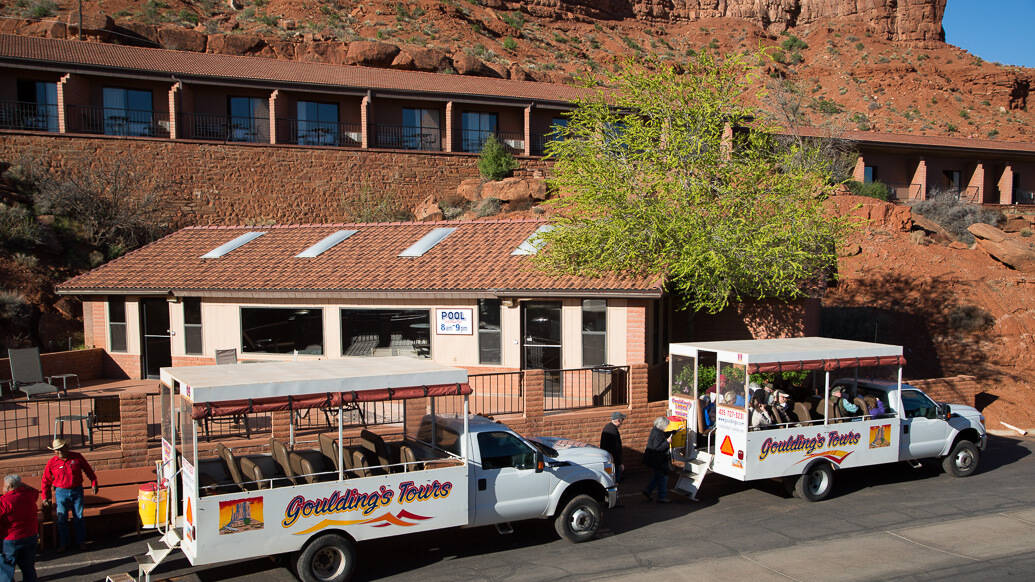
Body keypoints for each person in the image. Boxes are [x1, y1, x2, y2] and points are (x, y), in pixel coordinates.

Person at [41, 438, 98, 552]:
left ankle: (81, 542)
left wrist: (94, 483)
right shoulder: (52, 463)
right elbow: (45, 480)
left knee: (79, 517)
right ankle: (64, 543)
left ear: (66, 448)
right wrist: (45, 497)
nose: (59, 452)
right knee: (62, 519)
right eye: (56, 450)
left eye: (61, 449)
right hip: (61, 492)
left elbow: (88, 470)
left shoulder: (77, 457)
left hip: (77, 490)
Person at [0, 474, 39, 582]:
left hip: (11, 539)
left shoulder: (4, 501)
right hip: (30, 536)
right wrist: (21, 484)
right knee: (28, 568)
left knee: (6, 570)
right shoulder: (29, 495)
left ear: (9, 487)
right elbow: (34, 491)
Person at [642, 416, 672, 504]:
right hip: (658, 460)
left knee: (658, 476)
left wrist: (674, 432)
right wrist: (667, 442)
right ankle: (661, 496)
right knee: (663, 477)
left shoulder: (655, 430)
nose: (667, 427)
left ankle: (648, 490)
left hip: (654, 460)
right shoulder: (658, 434)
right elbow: (658, 447)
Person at [599, 412, 626, 483]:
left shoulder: (608, 427)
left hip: (609, 458)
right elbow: (616, 449)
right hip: (613, 460)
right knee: (615, 481)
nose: (622, 422)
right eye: (622, 420)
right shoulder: (613, 430)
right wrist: (619, 463)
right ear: (618, 420)